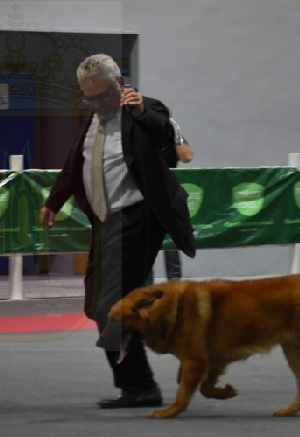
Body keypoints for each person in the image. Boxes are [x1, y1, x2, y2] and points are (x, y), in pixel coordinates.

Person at [39, 54, 196, 409]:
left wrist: (140, 113)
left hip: (137, 218)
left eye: (101, 96)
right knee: (102, 304)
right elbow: (75, 162)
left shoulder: (145, 109)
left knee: (111, 305)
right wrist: (54, 201)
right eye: (88, 98)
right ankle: (180, 352)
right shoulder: (93, 119)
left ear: (120, 85)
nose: (95, 105)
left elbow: (169, 138)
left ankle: (140, 385)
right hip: (105, 222)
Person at [147, 117, 193, 284]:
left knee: (171, 242)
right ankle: (146, 286)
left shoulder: (170, 132)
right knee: (145, 243)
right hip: (144, 195)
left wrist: (177, 135)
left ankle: (174, 284)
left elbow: (187, 157)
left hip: (168, 195)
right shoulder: (136, 132)